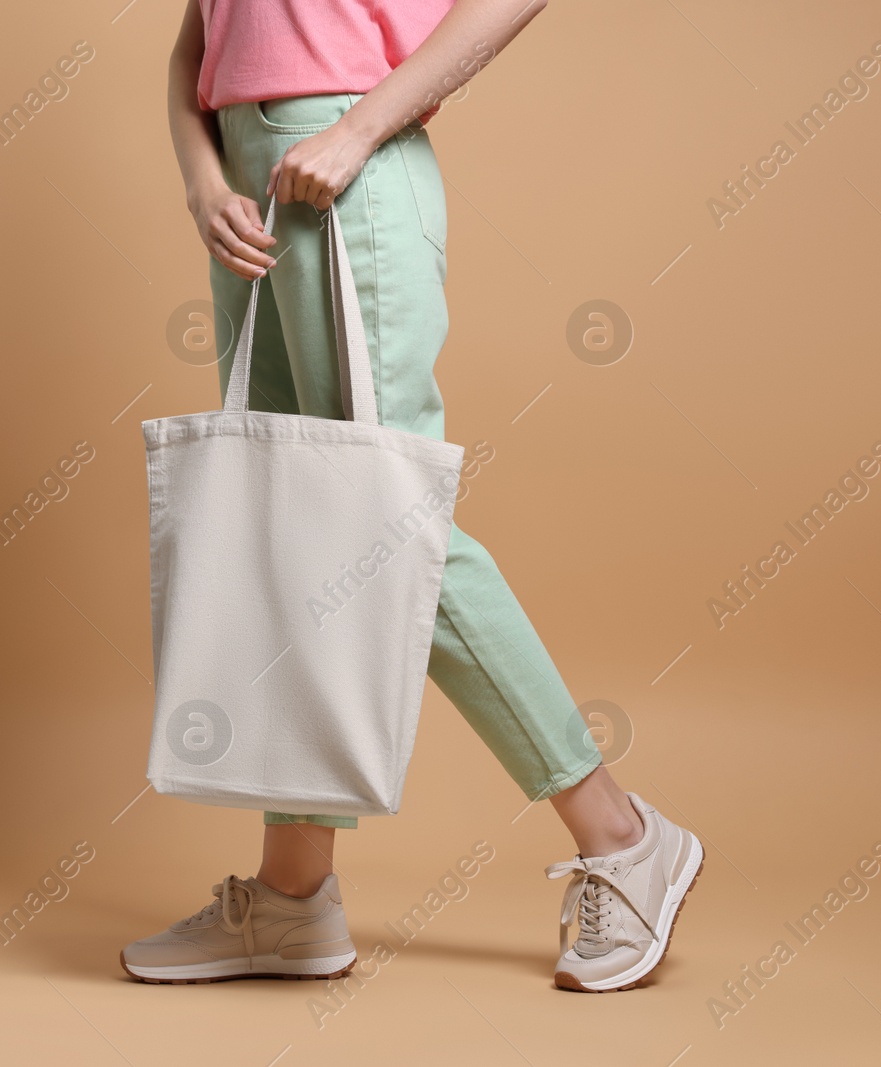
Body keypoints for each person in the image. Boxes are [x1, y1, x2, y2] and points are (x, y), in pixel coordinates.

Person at [121, 0, 703, 993]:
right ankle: (293, 898)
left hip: (347, 167)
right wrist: (200, 176)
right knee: (292, 528)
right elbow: (194, 45)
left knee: (386, 529)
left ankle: (622, 832)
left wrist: (355, 130)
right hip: (245, 186)